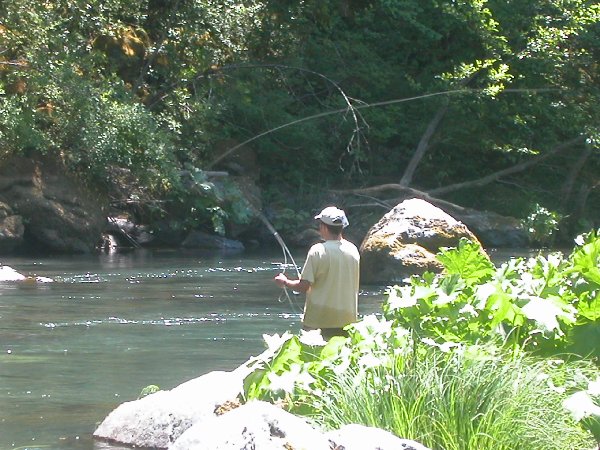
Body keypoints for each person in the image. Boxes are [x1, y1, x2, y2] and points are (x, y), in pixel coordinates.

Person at [274, 206, 360, 339]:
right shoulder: (353, 250)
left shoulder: (317, 251)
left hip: (319, 321)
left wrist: (285, 282)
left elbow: (304, 286)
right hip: (347, 321)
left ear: (324, 227)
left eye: (320, 225)